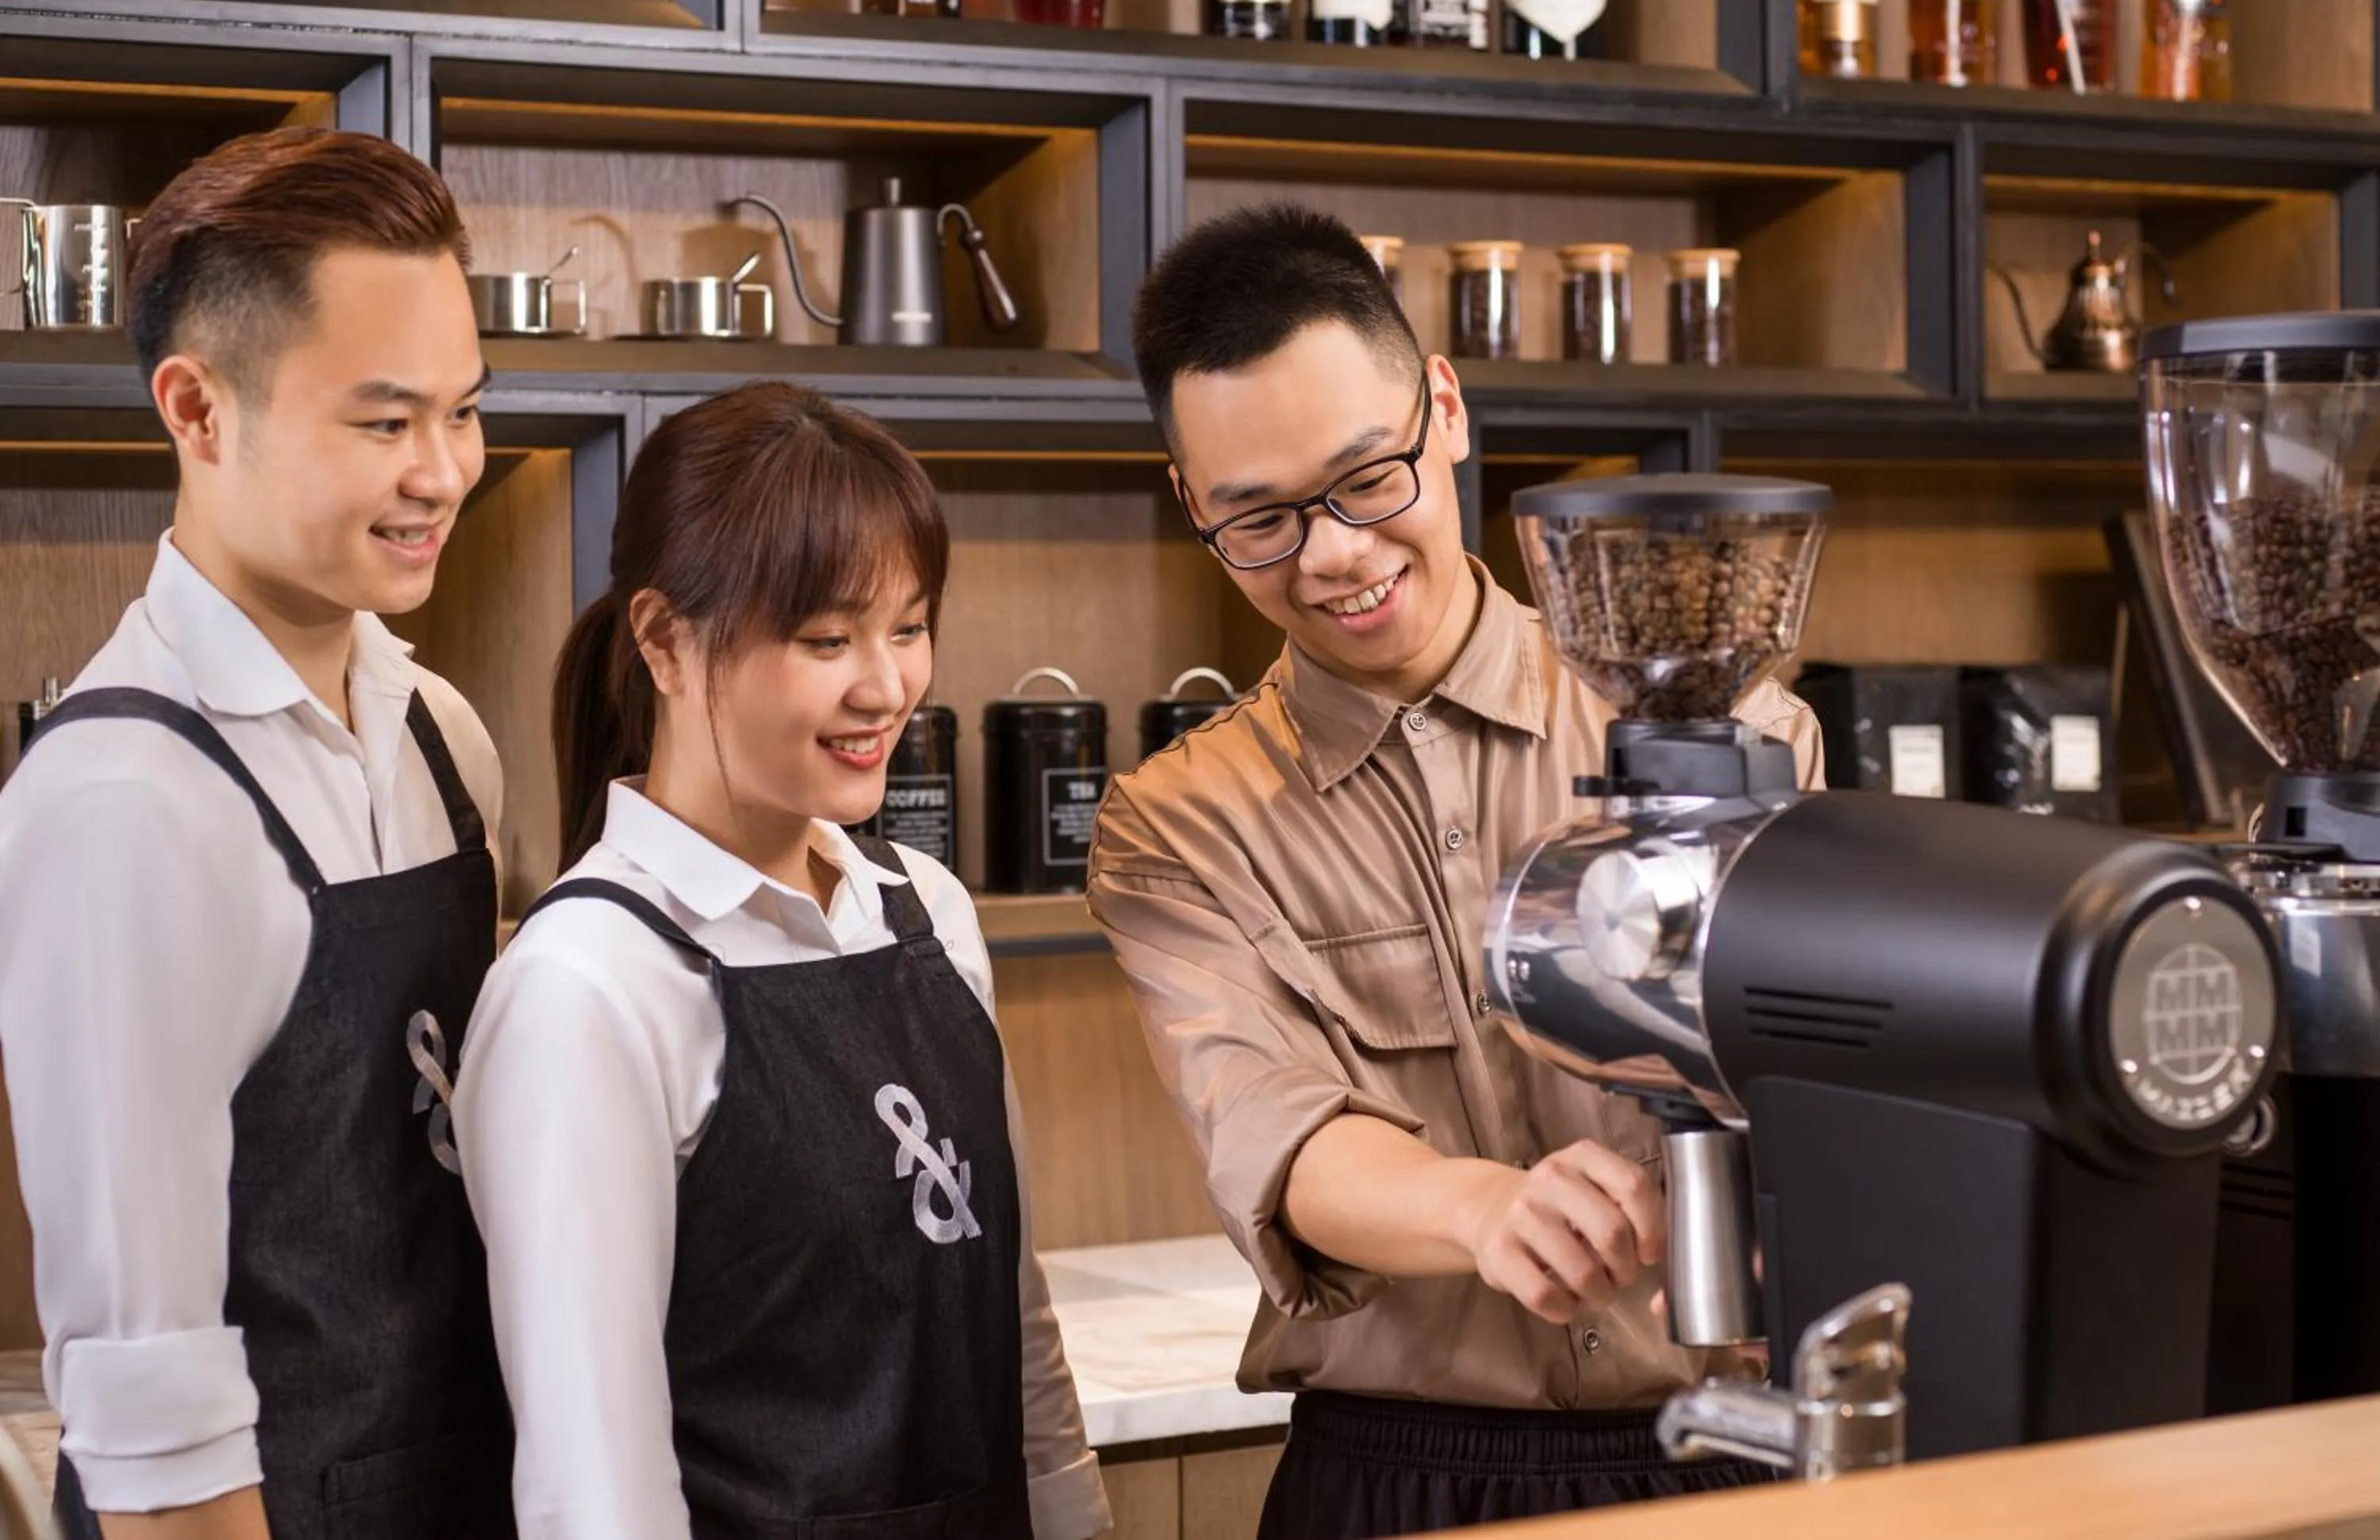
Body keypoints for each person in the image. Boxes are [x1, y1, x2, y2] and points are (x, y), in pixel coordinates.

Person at [1088, 205, 1825, 1539]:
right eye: (1261, 518)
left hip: (1727, 1456)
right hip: (1399, 1479)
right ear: (1194, 504)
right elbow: (1274, 1133)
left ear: (1444, 408)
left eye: (1369, 479)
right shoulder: (1179, 825)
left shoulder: (1725, 728)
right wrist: (1488, 1211)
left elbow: (1821, 1070)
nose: (1335, 554)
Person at [452, 382, 1111, 1540]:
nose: (886, 687)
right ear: (665, 640)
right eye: (826, 639)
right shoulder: (586, 986)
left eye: (908, 627)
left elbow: (1014, 1324)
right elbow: (593, 1491)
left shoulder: (928, 912)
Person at [0, 128, 512, 1539]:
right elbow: (149, 1411)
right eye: (384, 423)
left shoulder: (444, 740)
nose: (444, 472)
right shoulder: (122, 804)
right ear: (197, 409)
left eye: (465, 412)